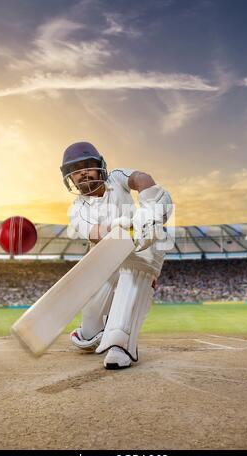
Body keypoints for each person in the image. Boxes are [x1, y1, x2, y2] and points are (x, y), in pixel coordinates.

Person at [60, 141, 172, 369]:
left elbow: (142, 178)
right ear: (70, 178)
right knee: (92, 320)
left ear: (100, 166)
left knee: (134, 273)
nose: (82, 173)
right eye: (75, 170)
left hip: (141, 252)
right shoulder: (76, 209)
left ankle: (120, 343)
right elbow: (95, 235)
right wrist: (124, 227)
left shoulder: (117, 177)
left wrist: (149, 210)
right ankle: (94, 332)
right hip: (105, 257)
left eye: (87, 165)